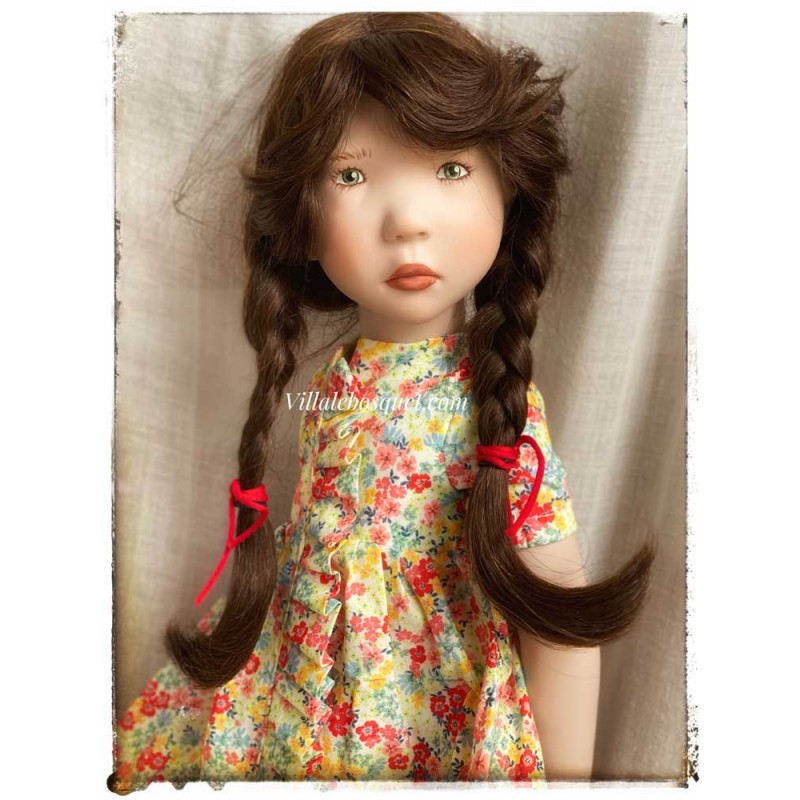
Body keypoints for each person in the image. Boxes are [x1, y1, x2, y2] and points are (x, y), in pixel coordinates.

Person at [110, 12, 653, 790]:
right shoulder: (334, 380)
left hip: (421, 723)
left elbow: (559, 613)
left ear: (509, 185)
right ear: (300, 219)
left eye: (451, 168)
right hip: (299, 701)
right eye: (351, 177)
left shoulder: (494, 406)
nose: (407, 222)